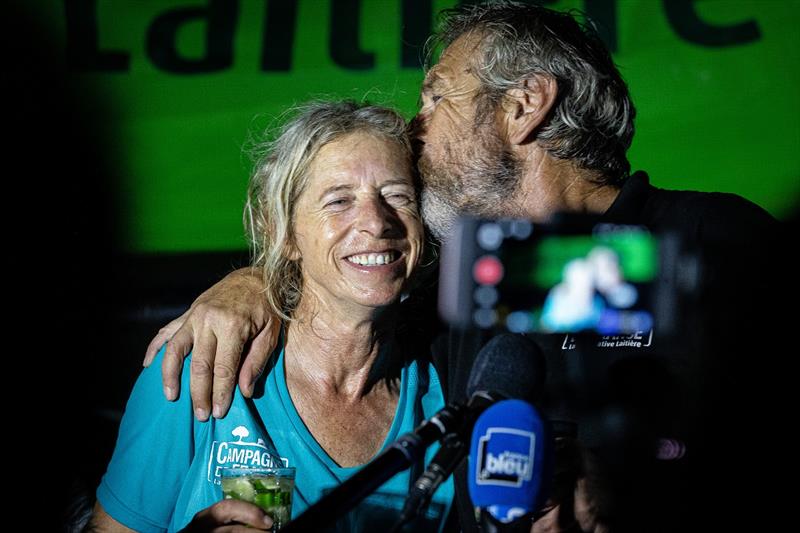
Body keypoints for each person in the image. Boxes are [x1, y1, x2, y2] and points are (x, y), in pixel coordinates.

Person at [144, 2, 779, 531]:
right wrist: (251, 285)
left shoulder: (716, 242)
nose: (414, 128)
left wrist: (638, 491)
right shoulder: (456, 277)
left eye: (437, 95)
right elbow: (335, 290)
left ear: (525, 104)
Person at [90, 101, 456, 532]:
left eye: (397, 196)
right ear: (285, 234)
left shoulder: (449, 396)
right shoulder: (200, 366)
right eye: (339, 200)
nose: (376, 223)